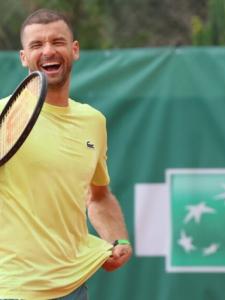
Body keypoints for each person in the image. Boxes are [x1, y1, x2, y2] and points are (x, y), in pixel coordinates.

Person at [0, 8, 132, 300]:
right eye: (36, 45)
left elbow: (99, 196)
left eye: (57, 41)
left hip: (74, 287)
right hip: (13, 289)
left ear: (74, 50)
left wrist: (117, 238)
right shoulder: (2, 117)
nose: (48, 50)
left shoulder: (93, 121)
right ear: (23, 57)